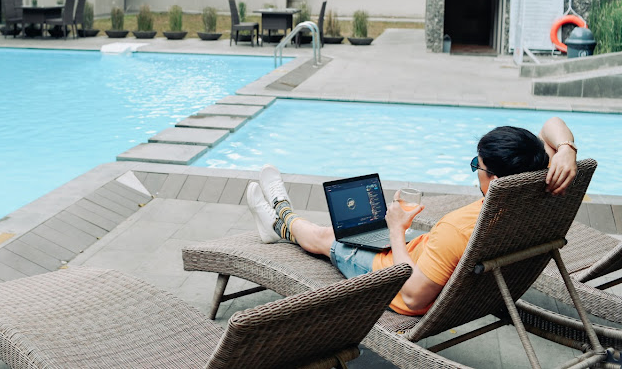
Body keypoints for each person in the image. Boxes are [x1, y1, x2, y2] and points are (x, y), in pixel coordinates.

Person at [246, 117, 578, 316]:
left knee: (324, 237)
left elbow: (411, 295)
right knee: (360, 231)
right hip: (430, 257)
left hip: (394, 279)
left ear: (494, 179)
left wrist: (395, 230)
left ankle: (278, 215)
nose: (475, 171)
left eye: (477, 166)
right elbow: (552, 126)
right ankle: (278, 218)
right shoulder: (540, 187)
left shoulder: (457, 230)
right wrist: (566, 149)